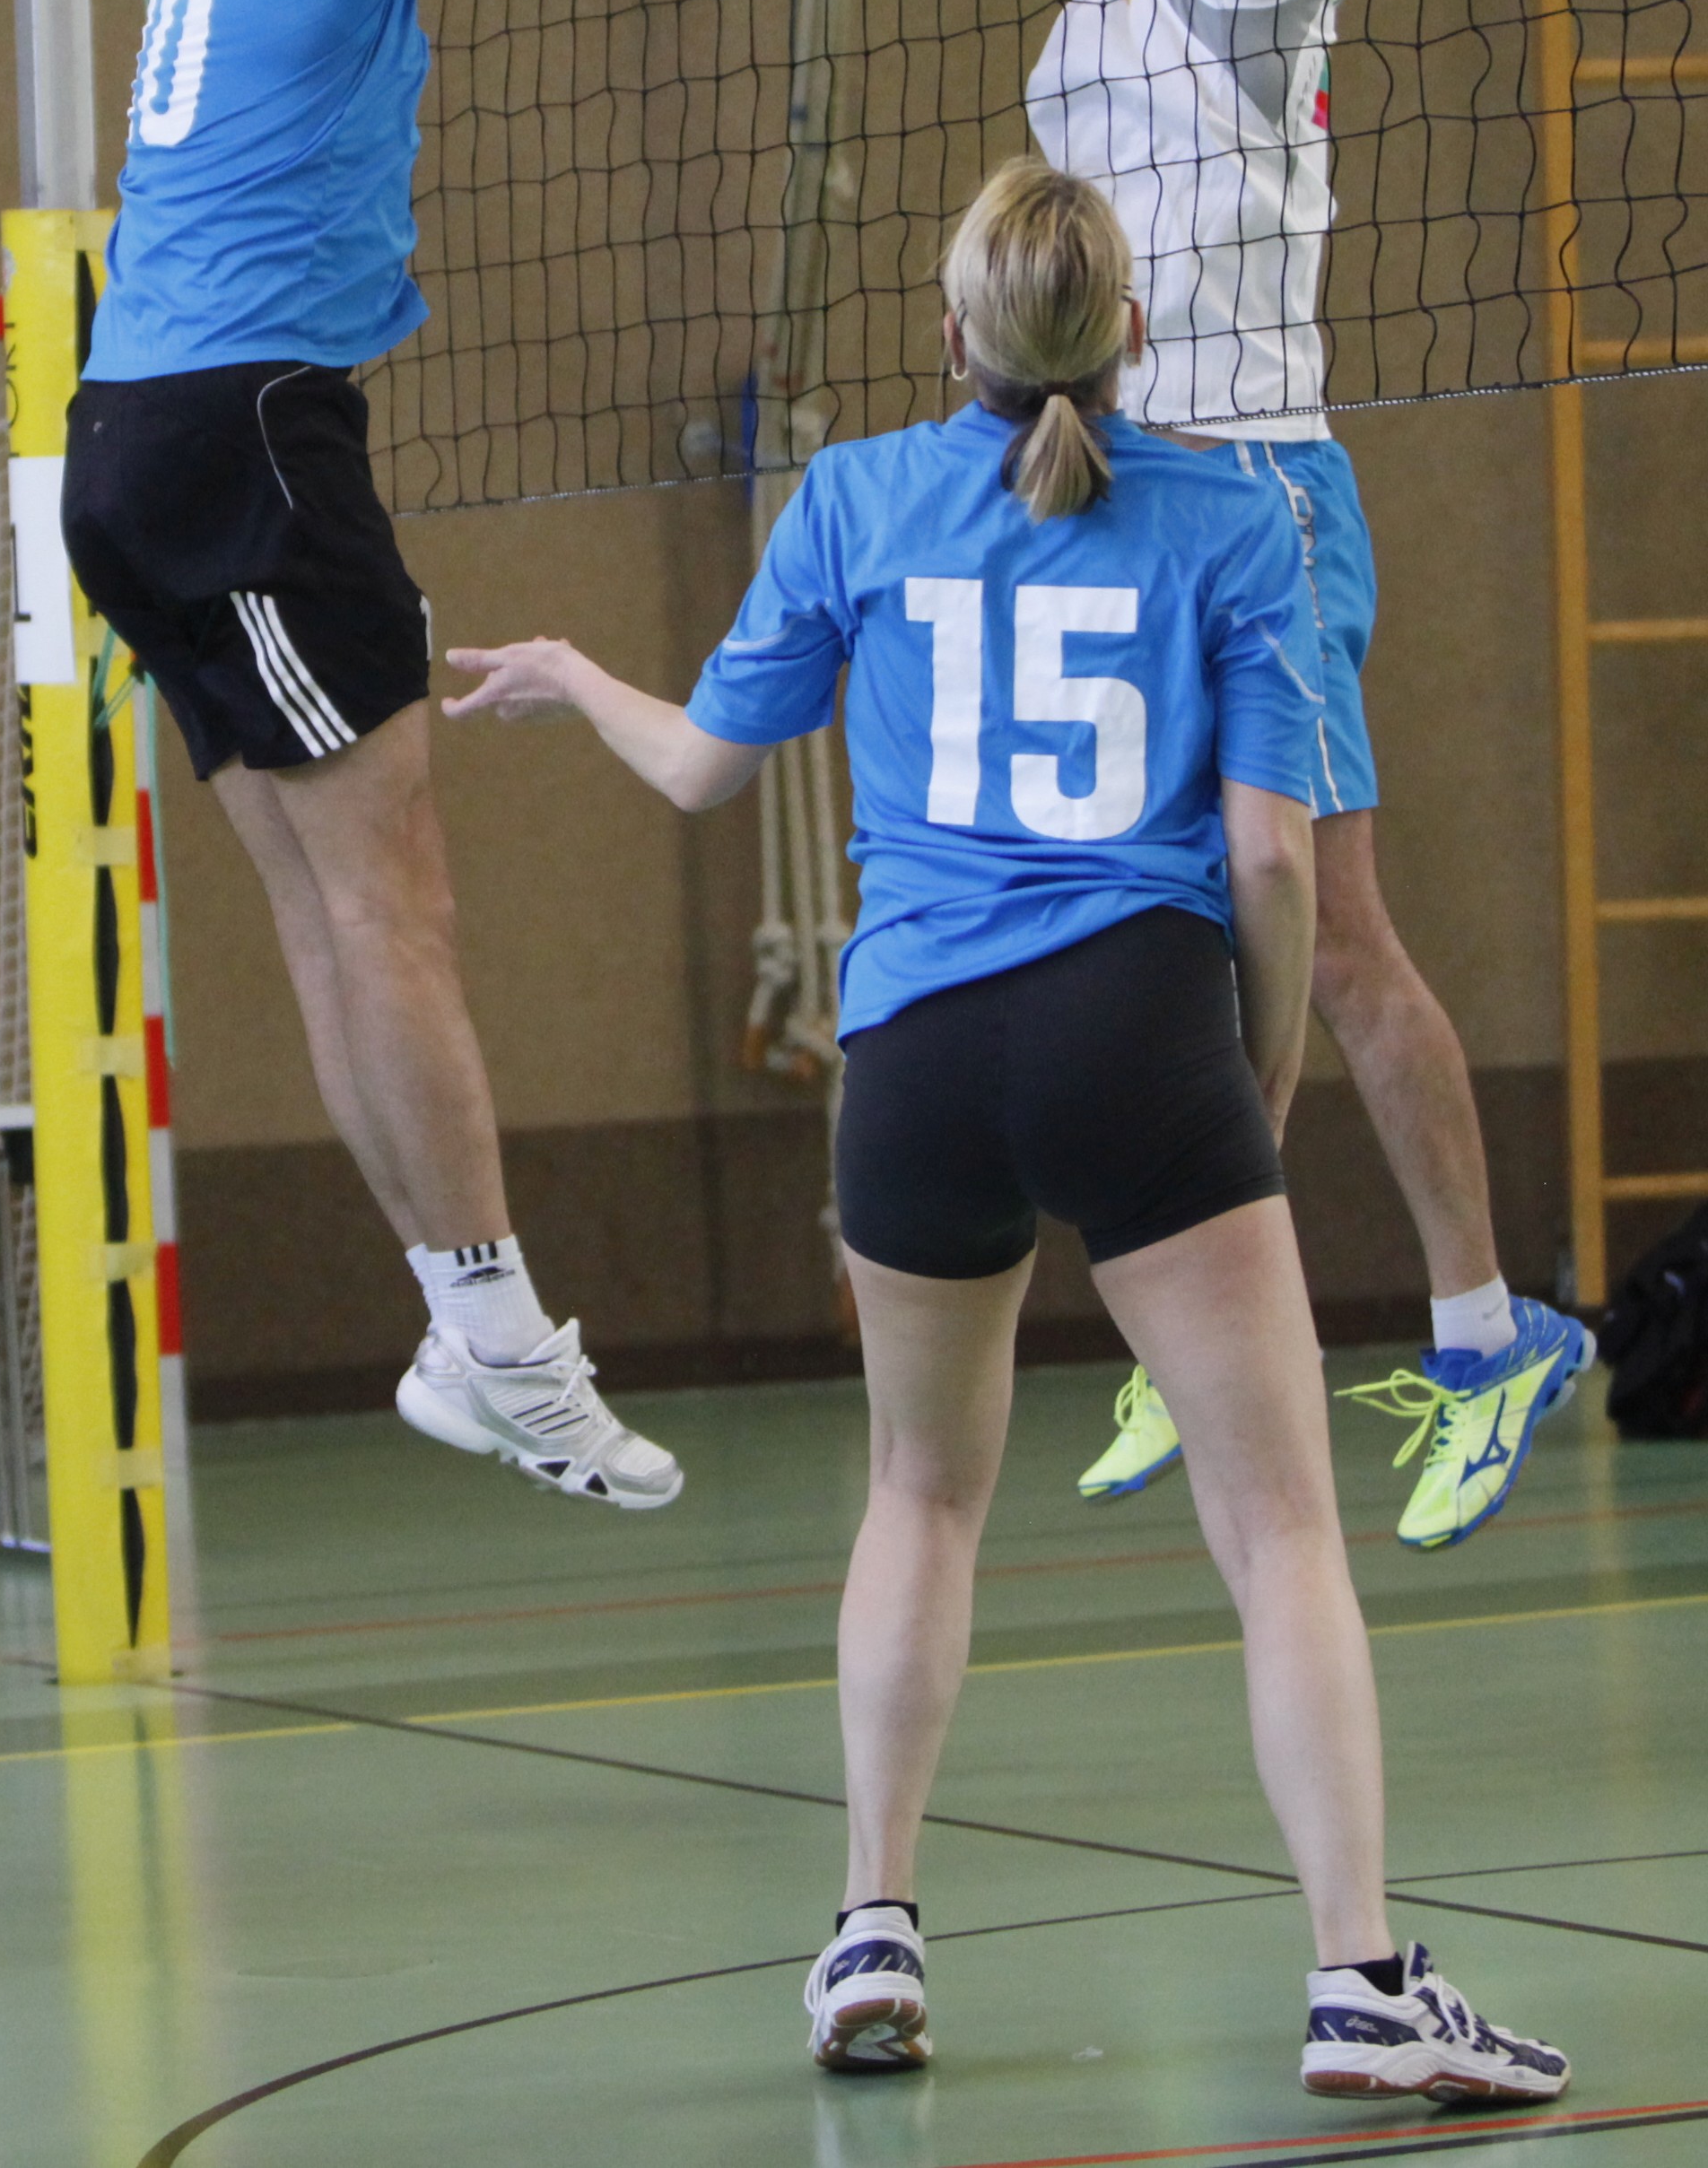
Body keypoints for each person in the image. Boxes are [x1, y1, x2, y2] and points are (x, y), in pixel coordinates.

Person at [444, 160, 1569, 2101]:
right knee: (1279, 1524)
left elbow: (703, 769)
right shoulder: (1236, 516)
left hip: (917, 1053)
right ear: (1131, 332)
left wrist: (568, 675)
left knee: (922, 1491)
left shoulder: (851, 496)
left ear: (953, 331)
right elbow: (1272, 861)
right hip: (1139, 1034)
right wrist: (1254, 1082)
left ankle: (870, 1926)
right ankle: (1361, 1980)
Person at [63, 0, 821, 1514]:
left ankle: (463, 1330)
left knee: (337, 921)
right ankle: (508, 1343)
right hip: (246, 441)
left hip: (148, 447)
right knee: (395, 915)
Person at [880, 0, 1592, 1551]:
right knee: (1167, 934)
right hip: (1128, 497)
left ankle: (1486, 1327)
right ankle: (1219, 1319)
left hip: (1258, 495)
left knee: (1336, 933)